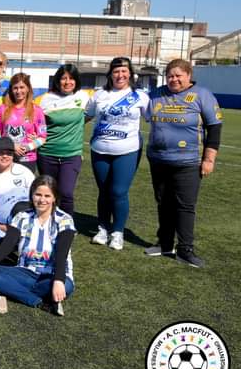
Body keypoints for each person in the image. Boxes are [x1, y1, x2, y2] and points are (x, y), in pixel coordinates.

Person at [144, 59, 222, 268]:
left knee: (185, 206)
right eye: (170, 75)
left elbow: (214, 128)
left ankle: (185, 249)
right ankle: (165, 243)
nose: (174, 79)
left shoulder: (202, 95)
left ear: (189, 75)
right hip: (159, 159)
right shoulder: (156, 94)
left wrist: (208, 159)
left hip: (188, 161)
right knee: (163, 203)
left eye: (179, 75)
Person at [0, 175, 76, 316]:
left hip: (51, 276)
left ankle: (14, 290)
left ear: (54, 198)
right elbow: (7, 244)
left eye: (47, 196)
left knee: (66, 286)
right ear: (31, 196)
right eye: (38, 195)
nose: (42, 200)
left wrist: (59, 280)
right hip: (25, 272)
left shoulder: (65, 219)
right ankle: (39, 301)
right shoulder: (21, 217)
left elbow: (62, 254)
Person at [85, 57, 149, 251]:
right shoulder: (99, 95)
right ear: (110, 74)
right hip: (100, 150)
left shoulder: (140, 96)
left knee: (119, 192)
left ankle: (117, 232)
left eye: (124, 71)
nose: (120, 75)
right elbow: (85, 117)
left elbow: (154, 120)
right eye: (116, 71)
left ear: (130, 74)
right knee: (104, 192)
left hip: (127, 151)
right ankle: (103, 229)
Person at [36, 64, 90, 216]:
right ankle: (48, 222)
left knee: (66, 193)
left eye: (71, 78)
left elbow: (90, 115)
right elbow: (36, 123)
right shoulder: (45, 99)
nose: (67, 82)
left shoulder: (83, 97)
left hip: (71, 155)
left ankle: (67, 227)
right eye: (63, 78)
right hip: (47, 154)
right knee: (48, 193)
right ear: (57, 81)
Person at [0, 72, 47, 173]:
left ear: (28, 88)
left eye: (22, 87)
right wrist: (9, 146)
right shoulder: (3, 109)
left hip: (27, 159)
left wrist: (27, 147)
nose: (18, 91)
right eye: (15, 88)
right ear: (11, 90)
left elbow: (42, 138)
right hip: (4, 157)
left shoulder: (37, 110)